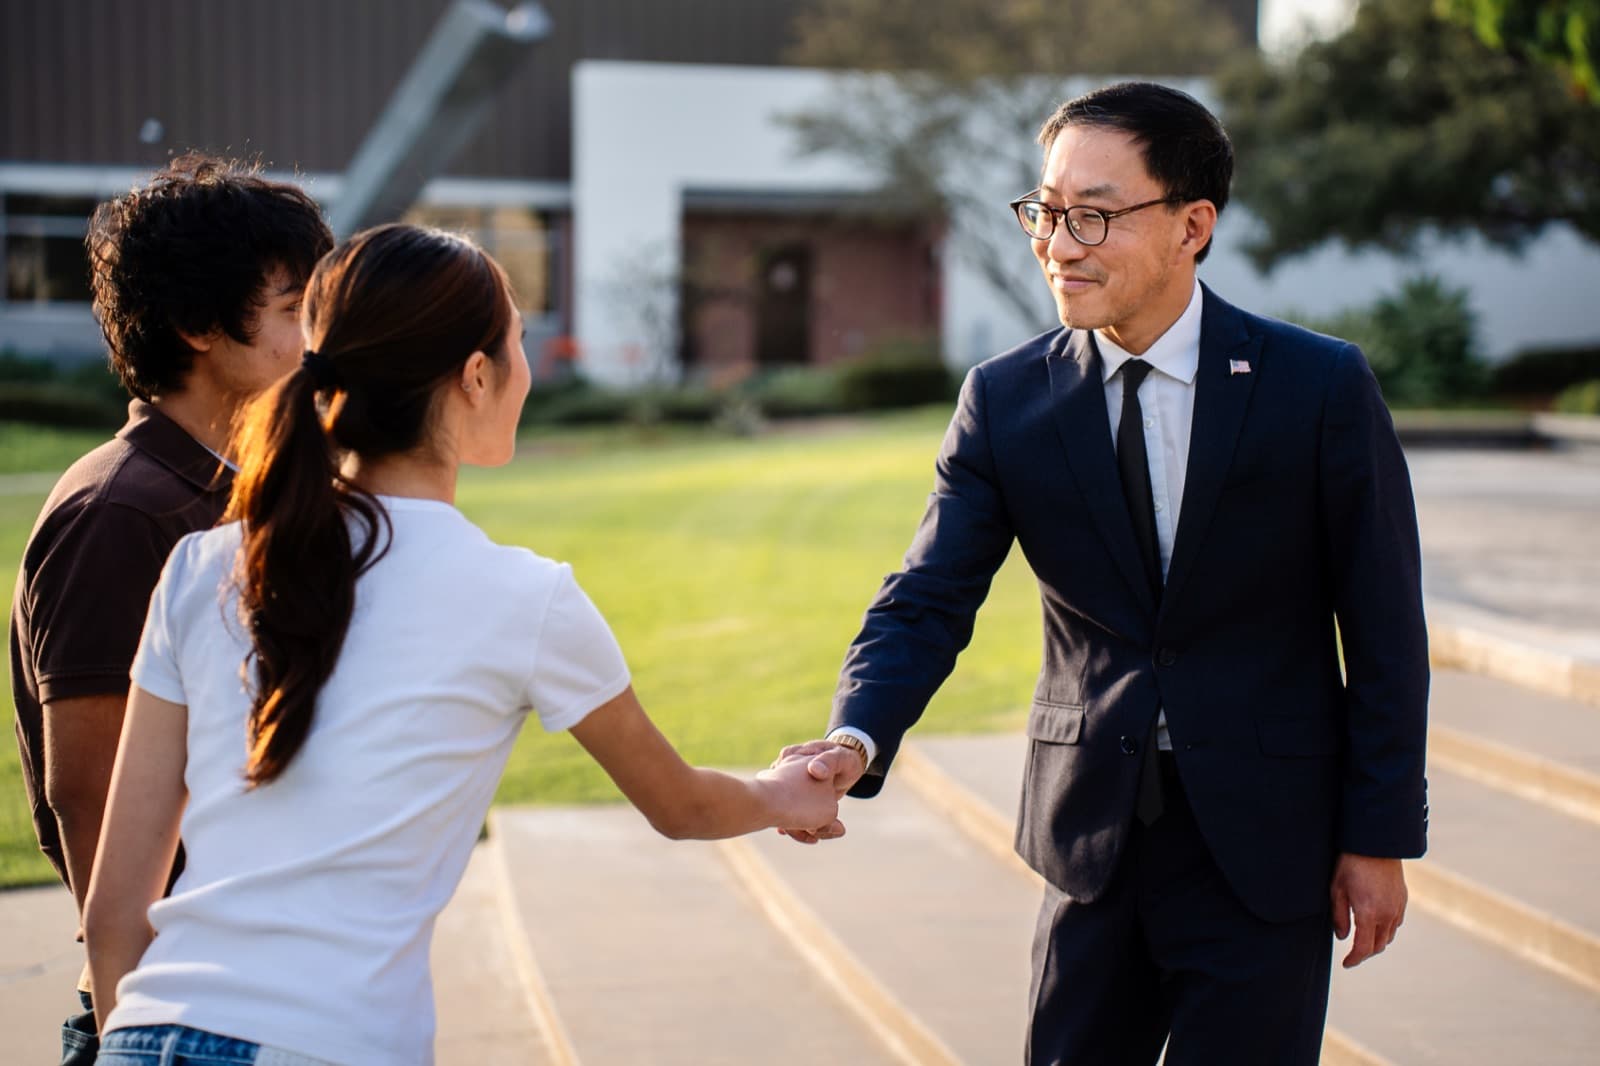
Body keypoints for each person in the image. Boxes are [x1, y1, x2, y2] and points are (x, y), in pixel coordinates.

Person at [82, 223, 845, 1066]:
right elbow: (681, 806)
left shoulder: (202, 566)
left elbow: (116, 910)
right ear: (476, 376)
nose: (526, 371)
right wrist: (784, 793)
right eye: (519, 344)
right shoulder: (527, 598)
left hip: (144, 1034)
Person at [780, 82, 1429, 1065]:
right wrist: (853, 734)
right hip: (1089, 842)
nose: (1058, 242)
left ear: (1191, 224)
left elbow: (1383, 627)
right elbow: (929, 594)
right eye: (1046, 211)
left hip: (1265, 847)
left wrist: (1377, 833)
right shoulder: (1005, 401)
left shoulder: (1317, 387)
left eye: (1093, 214)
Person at [8, 154, 333, 1065]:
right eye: (291, 310)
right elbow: (90, 793)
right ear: (197, 323)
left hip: (252, 989)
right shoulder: (122, 511)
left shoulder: (229, 490)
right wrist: (129, 1022)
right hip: (171, 1011)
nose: (315, 338)